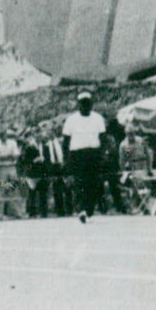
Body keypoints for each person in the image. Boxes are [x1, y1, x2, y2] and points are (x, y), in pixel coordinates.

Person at [62, 90, 106, 222]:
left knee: (93, 183)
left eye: (88, 103)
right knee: (79, 182)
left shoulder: (98, 118)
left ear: (91, 104)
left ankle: (89, 209)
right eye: (83, 104)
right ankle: (81, 209)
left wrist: (102, 155)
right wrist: (66, 159)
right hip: (77, 154)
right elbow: (66, 141)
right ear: (79, 104)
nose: (86, 106)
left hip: (93, 153)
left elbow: (103, 138)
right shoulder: (71, 120)